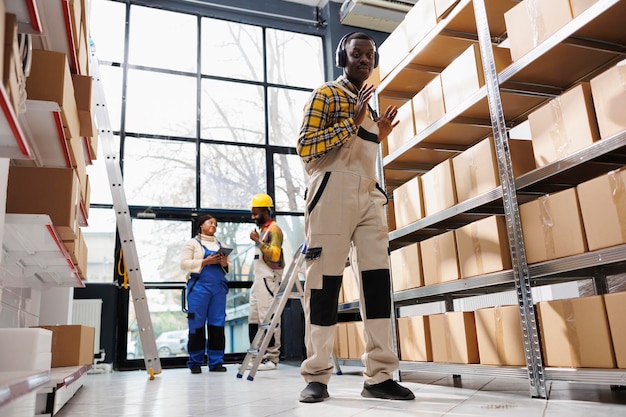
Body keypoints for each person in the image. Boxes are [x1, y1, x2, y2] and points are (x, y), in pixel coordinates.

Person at [296, 32, 415, 402]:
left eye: (369, 55)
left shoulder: (369, 104)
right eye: (356, 54)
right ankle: (316, 374)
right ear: (341, 58)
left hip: (368, 196)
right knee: (324, 284)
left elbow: (361, 152)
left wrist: (377, 131)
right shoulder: (327, 94)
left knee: (377, 283)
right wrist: (354, 120)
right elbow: (305, 147)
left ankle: (379, 376)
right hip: (331, 194)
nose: (364, 60)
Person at [180, 214, 230, 374]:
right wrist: (204, 262)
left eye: (216, 223)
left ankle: (216, 362)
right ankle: (195, 361)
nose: (214, 225)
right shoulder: (192, 244)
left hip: (218, 288)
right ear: (201, 225)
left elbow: (228, 269)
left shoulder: (221, 244)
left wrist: (224, 263)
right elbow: (184, 263)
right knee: (197, 324)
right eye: (210, 222)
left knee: (217, 324)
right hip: (199, 288)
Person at [248, 193, 285, 371]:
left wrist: (258, 242)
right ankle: (257, 356)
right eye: (252, 213)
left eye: (256, 213)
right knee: (254, 319)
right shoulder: (263, 231)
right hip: (258, 280)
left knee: (268, 317)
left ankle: (272, 358)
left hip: (269, 279)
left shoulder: (274, 230)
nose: (253, 217)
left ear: (265, 211)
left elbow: (275, 254)